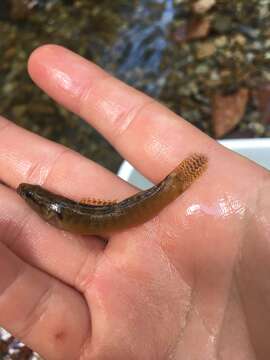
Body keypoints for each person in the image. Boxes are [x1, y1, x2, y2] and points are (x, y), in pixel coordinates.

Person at [0, 45, 269, 360]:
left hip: (117, 210)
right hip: (109, 211)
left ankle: (177, 183)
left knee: (158, 193)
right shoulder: (56, 210)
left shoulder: (55, 212)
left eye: (31, 195)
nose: (29, 195)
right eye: (31, 195)